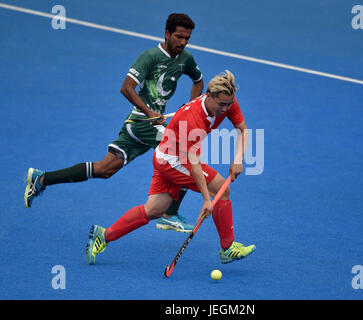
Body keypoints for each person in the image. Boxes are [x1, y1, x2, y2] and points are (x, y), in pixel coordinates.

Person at [24, 13, 204, 232]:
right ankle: (169, 213)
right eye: (179, 37)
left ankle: (42, 179)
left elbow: (198, 81)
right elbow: (126, 87)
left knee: (104, 169)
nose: (183, 42)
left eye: (187, 38)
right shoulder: (149, 57)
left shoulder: (186, 59)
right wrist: (148, 112)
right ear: (166, 34)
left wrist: (189, 108)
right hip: (142, 122)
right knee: (182, 151)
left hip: (147, 126)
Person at [85, 70, 256, 266]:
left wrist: (238, 160)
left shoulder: (228, 102)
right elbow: (194, 163)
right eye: (221, 104)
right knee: (221, 189)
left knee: (155, 209)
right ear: (208, 96)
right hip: (173, 161)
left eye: (228, 104)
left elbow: (242, 130)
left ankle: (104, 235)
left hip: (165, 155)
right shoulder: (193, 120)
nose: (225, 109)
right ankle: (228, 248)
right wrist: (207, 199)